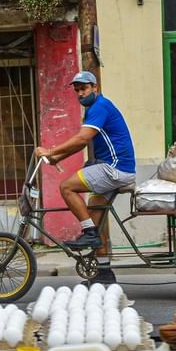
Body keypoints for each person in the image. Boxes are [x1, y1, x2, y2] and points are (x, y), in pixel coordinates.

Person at [34, 70, 136, 285]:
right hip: (113, 168)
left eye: (84, 88)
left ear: (95, 88)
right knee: (95, 221)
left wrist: (51, 151)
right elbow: (83, 142)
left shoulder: (100, 106)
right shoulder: (95, 109)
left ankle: (89, 232)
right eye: (77, 90)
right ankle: (104, 275)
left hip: (115, 168)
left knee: (67, 187)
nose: (80, 94)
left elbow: (81, 139)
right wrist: (56, 158)